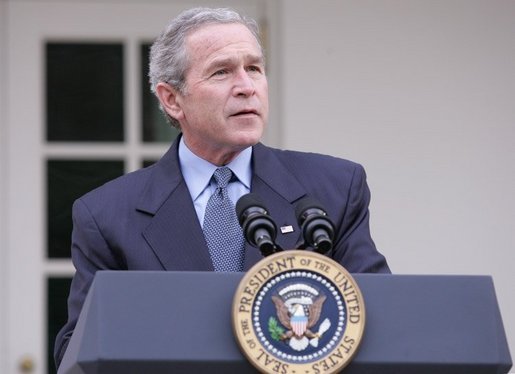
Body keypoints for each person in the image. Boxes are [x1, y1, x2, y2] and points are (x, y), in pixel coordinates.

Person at [54, 7, 390, 369]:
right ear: (171, 99)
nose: (247, 87)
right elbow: (77, 353)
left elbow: (383, 320)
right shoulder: (106, 215)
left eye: (255, 68)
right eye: (222, 72)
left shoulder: (335, 188)